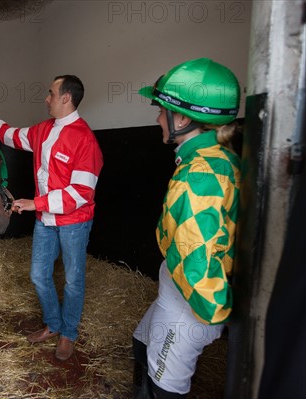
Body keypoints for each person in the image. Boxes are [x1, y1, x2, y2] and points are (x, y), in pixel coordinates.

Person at [0, 75, 103, 361]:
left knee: (73, 281)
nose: (47, 98)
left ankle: (68, 334)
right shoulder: (43, 130)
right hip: (45, 220)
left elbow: (81, 193)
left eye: (51, 93)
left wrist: (35, 203)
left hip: (73, 223)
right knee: (39, 275)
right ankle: (53, 325)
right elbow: (11, 134)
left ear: (66, 98)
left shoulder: (85, 140)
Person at [132, 58, 242, 398]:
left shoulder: (198, 174)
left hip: (188, 303)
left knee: (164, 383)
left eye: (160, 109)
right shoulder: (215, 158)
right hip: (175, 289)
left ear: (181, 117)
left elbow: (197, 261)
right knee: (140, 342)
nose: (156, 118)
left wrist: (217, 316)